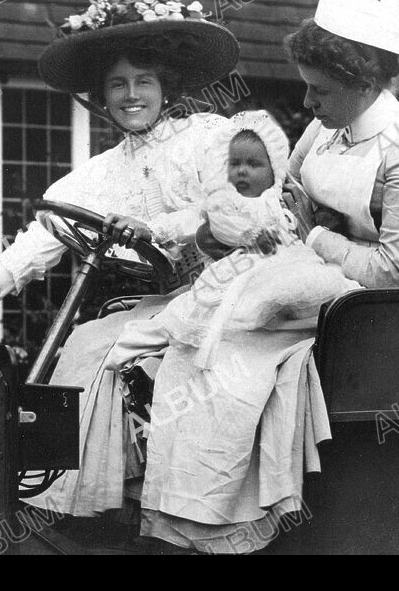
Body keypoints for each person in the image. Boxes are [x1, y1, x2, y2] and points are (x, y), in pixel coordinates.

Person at [0, 0, 240, 516]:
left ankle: (174, 500)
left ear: (165, 87)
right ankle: (78, 507)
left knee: (115, 348)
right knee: (84, 344)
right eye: (117, 85)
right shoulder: (99, 174)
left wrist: (154, 230)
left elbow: (232, 214)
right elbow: (31, 248)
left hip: (230, 290)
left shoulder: (208, 138)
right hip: (169, 299)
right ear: (101, 96)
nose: (132, 95)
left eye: (144, 82)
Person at [103, 110, 356, 553]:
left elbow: (305, 245)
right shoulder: (218, 202)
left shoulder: (285, 203)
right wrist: (154, 228)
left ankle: (223, 505)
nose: (241, 172)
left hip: (272, 287)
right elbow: (183, 221)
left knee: (234, 368)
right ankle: (168, 476)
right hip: (224, 287)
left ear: (274, 168)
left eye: (253, 164)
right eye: (234, 163)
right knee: (177, 333)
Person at [279, 0, 399, 288]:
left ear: (365, 84)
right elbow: (282, 189)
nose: (308, 102)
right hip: (313, 272)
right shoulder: (324, 127)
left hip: (384, 303)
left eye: (321, 90)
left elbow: (390, 273)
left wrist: (314, 233)